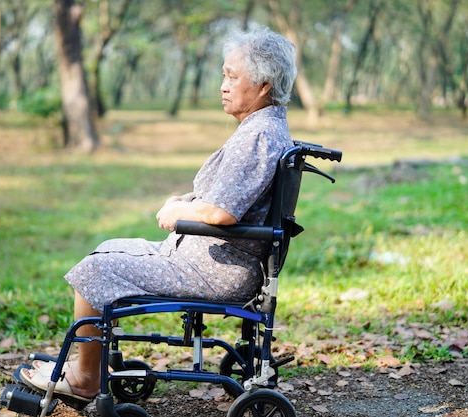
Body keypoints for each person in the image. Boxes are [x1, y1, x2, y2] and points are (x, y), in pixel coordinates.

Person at [20, 27, 298, 404]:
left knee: (95, 270)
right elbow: (229, 196)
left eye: (232, 76)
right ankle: (93, 360)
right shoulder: (263, 128)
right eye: (223, 75)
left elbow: (222, 211)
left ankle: (86, 379)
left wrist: (181, 211)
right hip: (213, 260)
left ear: (264, 85)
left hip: (215, 270)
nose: (223, 85)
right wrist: (185, 198)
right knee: (108, 250)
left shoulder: (258, 136)